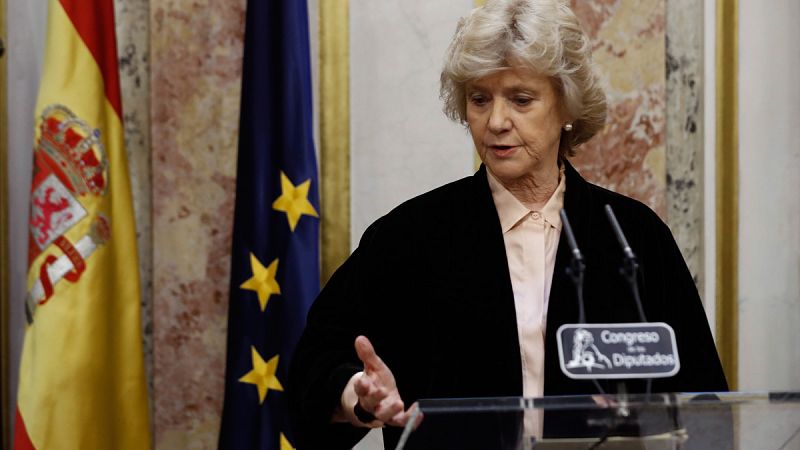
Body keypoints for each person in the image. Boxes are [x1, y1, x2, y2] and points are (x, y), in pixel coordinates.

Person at [288, 0, 728, 448]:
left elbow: (705, 404)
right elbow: (316, 365)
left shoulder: (634, 237)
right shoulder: (410, 236)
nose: (496, 122)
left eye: (521, 99)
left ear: (566, 106)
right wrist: (358, 397)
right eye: (480, 99)